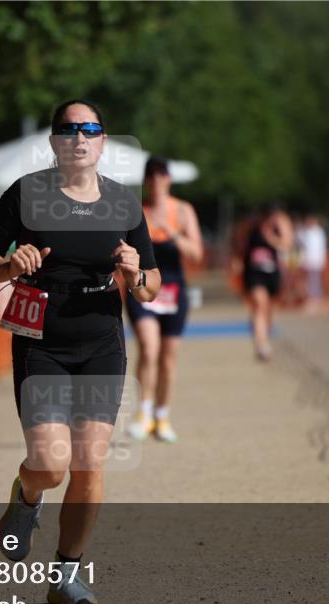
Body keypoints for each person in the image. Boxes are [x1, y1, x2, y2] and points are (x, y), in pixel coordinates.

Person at [0, 99, 160, 604]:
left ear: (102, 141)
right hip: (41, 342)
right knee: (52, 466)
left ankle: (66, 575)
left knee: (90, 464)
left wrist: (135, 272)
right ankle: (27, 495)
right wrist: (11, 265)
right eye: (69, 129)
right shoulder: (26, 195)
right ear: (54, 140)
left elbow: (151, 288)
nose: (80, 137)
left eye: (91, 129)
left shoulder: (123, 202)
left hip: (101, 343)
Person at [125, 156, 203, 443]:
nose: (157, 182)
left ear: (168, 180)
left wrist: (172, 234)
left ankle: (162, 415)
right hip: (143, 288)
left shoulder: (183, 211)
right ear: (146, 182)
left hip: (173, 290)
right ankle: (143, 412)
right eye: (152, 177)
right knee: (148, 347)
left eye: (162, 176)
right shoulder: (137, 212)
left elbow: (196, 253)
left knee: (168, 357)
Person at [241, 203, 293, 361]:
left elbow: (286, 245)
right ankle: (261, 344)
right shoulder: (253, 226)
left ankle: (264, 337)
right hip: (254, 273)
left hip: (273, 273)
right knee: (259, 304)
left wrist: (271, 237)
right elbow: (242, 245)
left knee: (268, 309)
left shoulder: (278, 227)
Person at [296, 213, 328, 311]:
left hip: (315, 260)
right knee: (310, 281)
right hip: (309, 260)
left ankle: (314, 299)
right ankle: (311, 298)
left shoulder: (317, 232)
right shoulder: (307, 232)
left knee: (314, 281)